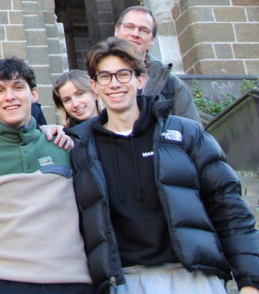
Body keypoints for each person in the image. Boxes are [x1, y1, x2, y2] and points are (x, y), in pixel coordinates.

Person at [71, 37, 259, 294]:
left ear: (141, 80)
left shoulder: (186, 133)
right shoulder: (82, 148)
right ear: (94, 86)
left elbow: (228, 208)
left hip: (193, 277)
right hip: (126, 282)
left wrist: (250, 281)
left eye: (124, 74)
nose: (114, 84)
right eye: (105, 77)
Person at [0, 58, 92, 294]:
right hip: (7, 283)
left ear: (34, 94)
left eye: (18, 87)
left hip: (72, 281)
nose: (9, 97)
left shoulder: (64, 145)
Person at [113, 5, 201, 121]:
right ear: (116, 30)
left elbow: (192, 130)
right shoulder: (94, 78)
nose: (135, 34)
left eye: (144, 30)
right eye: (129, 27)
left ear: (152, 39)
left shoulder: (172, 85)